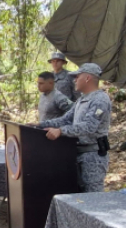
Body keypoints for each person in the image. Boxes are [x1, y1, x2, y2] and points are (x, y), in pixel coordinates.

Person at [39, 63, 113, 193]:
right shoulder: (81, 100)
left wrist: (61, 131)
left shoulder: (100, 99)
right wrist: (40, 125)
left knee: (92, 197)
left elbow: (89, 126)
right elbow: (65, 119)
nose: (74, 80)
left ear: (87, 78)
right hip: (76, 154)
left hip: (93, 157)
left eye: (77, 77)